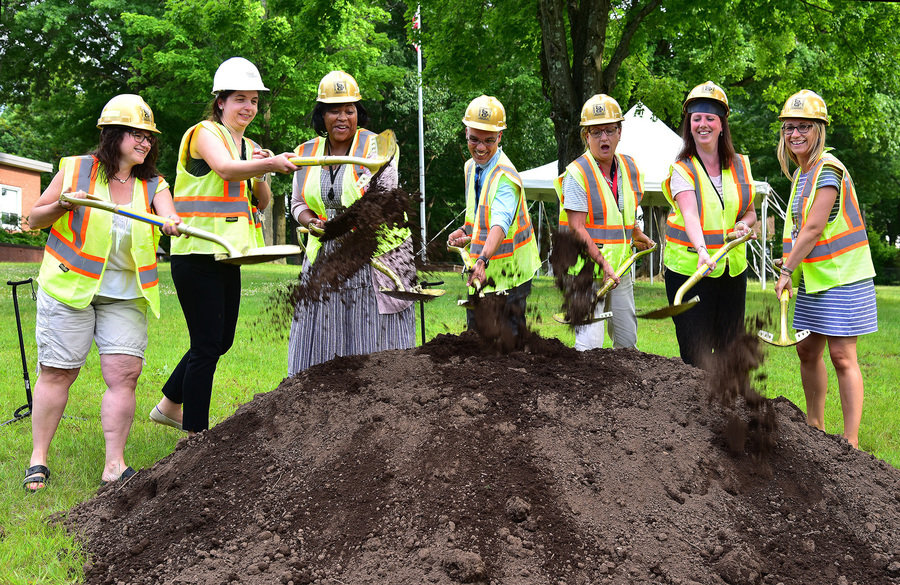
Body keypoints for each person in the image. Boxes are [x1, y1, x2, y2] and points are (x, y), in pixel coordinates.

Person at [24, 94, 182, 490]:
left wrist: (171, 223)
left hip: (125, 293)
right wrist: (63, 202)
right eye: (135, 133)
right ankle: (38, 458)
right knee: (59, 372)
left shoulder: (153, 183)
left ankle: (114, 465)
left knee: (124, 375)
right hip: (69, 285)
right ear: (112, 136)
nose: (144, 142)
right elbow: (33, 219)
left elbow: (169, 213)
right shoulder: (77, 170)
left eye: (148, 136)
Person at [152, 57, 298, 434]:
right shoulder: (204, 133)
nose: (248, 107)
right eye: (239, 99)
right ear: (221, 102)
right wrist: (271, 162)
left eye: (253, 100)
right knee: (205, 346)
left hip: (229, 255)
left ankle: (169, 404)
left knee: (222, 340)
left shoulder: (250, 146)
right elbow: (224, 170)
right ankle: (195, 436)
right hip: (196, 250)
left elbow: (261, 202)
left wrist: (265, 169)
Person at [287, 70, 415, 374]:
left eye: (349, 109)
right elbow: (296, 203)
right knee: (316, 343)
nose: (342, 117)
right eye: (334, 110)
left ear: (359, 112)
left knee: (369, 340)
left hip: (370, 258)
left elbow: (383, 201)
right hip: (323, 257)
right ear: (322, 115)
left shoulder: (378, 147)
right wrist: (310, 221)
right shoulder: (305, 153)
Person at [774, 90, 877, 449]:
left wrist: (786, 271)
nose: (795, 134)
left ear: (820, 129)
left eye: (804, 126)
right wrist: (789, 268)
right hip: (817, 279)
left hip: (844, 277)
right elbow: (800, 231)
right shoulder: (802, 174)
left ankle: (850, 441)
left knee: (842, 355)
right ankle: (813, 426)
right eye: (789, 128)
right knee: (807, 352)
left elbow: (815, 228)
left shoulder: (828, 170)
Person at [662, 81, 757, 368]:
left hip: (731, 272)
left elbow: (749, 212)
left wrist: (744, 225)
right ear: (689, 124)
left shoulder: (740, 165)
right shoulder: (682, 169)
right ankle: (698, 411)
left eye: (710, 118)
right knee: (697, 356)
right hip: (691, 271)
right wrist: (702, 250)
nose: (703, 124)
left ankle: (726, 409)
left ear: (721, 125)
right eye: (697, 118)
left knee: (729, 351)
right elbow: (690, 214)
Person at [554, 94, 655, 350]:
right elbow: (577, 228)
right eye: (596, 132)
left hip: (619, 270)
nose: (604, 138)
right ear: (586, 136)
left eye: (610, 130)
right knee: (590, 347)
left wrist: (635, 233)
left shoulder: (630, 168)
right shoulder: (577, 174)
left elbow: (623, 214)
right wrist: (603, 264)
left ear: (620, 132)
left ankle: (623, 390)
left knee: (627, 343)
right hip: (586, 273)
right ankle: (584, 390)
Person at [447, 95, 541, 336]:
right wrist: (466, 232)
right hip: (480, 269)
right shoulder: (471, 167)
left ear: (500, 137)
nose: (480, 147)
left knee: (507, 347)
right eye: (474, 139)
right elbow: (479, 216)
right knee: (477, 339)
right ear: (465, 133)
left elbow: (500, 223)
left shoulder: (506, 177)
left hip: (510, 274)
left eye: (489, 140)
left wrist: (482, 259)